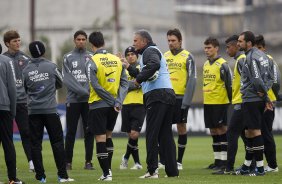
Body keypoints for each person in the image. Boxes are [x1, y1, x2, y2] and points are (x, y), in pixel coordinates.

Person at [125, 29, 179, 178]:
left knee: (152, 134)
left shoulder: (150, 51)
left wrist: (137, 80)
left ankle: (152, 170)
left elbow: (153, 65)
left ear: (144, 41)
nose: (133, 43)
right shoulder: (149, 53)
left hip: (157, 96)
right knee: (165, 135)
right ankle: (172, 172)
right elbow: (149, 72)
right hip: (167, 94)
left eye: (135, 40)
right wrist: (128, 67)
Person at [23, 41, 74, 183]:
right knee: (57, 142)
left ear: (31, 53)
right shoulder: (51, 66)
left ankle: (41, 177)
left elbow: (26, 89)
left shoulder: (26, 70)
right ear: (44, 52)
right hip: (50, 110)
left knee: (35, 144)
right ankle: (62, 176)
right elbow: (60, 82)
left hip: (33, 111)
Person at [87, 31, 128, 181]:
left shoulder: (92, 60)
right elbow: (124, 82)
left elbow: (95, 85)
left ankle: (106, 174)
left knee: (100, 138)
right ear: (104, 42)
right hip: (114, 106)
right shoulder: (116, 60)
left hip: (98, 105)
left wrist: (111, 100)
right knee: (108, 136)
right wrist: (118, 100)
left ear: (92, 45)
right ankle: (108, 171)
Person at [235, 31, 273, 176]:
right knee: (248, 132)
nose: (238, 43)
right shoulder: (263, 55)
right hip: (255, 98)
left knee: (255, 131)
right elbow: (270, 77)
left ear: (248, 43)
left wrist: (266, 97)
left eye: (240, 41)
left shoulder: (250, 57)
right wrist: (265, 91)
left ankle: (260, 168)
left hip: (251, 99)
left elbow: (256, 79)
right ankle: (246, 166)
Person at [162, 28, 197, 170]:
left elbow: (192, 80)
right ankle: (164, 159)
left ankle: (179, 161)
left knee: (181, 128)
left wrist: (186, 102)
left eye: (173, 41)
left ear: (180, 41)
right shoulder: (164, 56)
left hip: (180, 98)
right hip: (166, 97)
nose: (170, 43)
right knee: (164, 129)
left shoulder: (188, 56)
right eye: (169, 41)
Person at [213, 35, 246, 175]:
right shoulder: (239, 60)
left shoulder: (242, 60)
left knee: (232, 133)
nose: (226, 50)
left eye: (228, 47)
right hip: (240, 102)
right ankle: (250, 165)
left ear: (236, 46)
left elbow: (249, 81)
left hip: (242, 103)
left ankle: (229, 167)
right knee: (246, 135)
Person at [62, 30, 95, 170]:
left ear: (86, 40)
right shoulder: (67, 57)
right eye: (78, 39)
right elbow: (67, 79)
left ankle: (88, 162)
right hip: (73, 100)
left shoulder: (93, 56)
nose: (81, 41)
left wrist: (90, 93)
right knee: (71, 132)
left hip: (89, 101)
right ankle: (67, 162)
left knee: (89, 131)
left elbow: (96, 78)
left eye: (83, 39)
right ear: (74, 41)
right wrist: (84, 91)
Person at [3, 30, 34, 172]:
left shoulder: (25, 59)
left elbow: (30, 80)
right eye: (14, 41)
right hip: (7, 103)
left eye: (18, 40)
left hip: (22, 102)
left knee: (26, 132)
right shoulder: (3, 59)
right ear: (7, 43)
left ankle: (31, 162)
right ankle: (11, 164)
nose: (17, 43)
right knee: (6, 135)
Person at [202, 37, 232, 171]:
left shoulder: (223, 64)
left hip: (220, 102)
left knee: (221, 130)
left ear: (216, 48)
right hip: (208, 102)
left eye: (209, 48)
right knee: (213, 131)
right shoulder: (205, 64)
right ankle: (217, 161)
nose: (206, 50)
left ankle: (224, 161)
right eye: (205, 48)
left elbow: (229, 84)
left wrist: (230, 102)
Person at [254, 35, 280, 172]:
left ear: (264, 48)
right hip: (257, 102)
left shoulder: (269, 60)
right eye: (255, 48)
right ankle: (259, 163)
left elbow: (276, 82)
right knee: (257, 133)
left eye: (259, 48)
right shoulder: (255, 61)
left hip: (267, 103)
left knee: (266, 133)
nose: (258, 51)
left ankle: (272, 165)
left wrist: (271, 98)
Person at [0, 43, 25, 184]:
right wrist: (13, 111)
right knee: (8, 143)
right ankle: (12, 178)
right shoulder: (7, 61)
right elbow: (12, 88)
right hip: (4, 107)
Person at [119, 46, 145, 170]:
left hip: (139, 104)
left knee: (134, 134)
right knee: (131, 135)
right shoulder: (122, 69)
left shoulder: (141, 68)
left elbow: (139, 82)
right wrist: (132, 84)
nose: (130, 56)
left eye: (132, 54)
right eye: (128, 54)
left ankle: (125, 158)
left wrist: (128, 85)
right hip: (125, 104)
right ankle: (137, 163)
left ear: (137, 55)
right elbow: (120, 85)